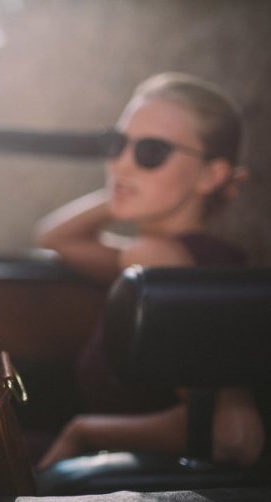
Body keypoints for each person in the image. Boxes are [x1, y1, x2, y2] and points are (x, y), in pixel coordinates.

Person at [33, 72, 265, 470]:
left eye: (152, 151)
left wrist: (85, 432)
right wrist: (130, 181)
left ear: (212, 174)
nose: (121, 162)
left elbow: (234, 435)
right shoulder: (179, 258)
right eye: (117, 144)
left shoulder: (155, 258)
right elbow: (54, 237)